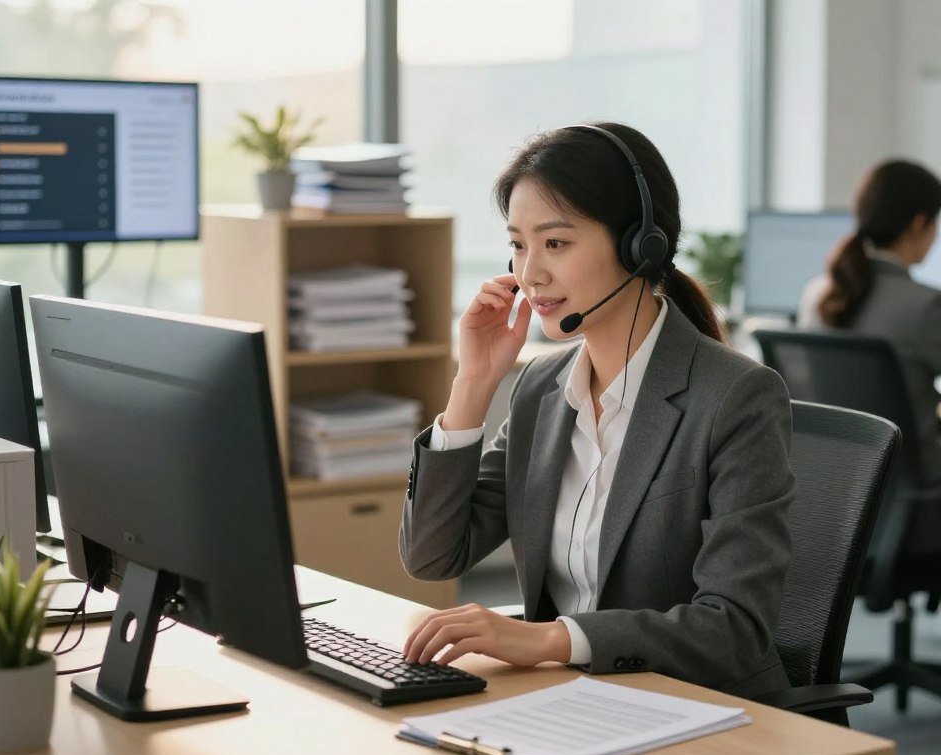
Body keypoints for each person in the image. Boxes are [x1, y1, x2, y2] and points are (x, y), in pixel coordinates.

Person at [399, 122, 795, 699]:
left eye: (555, 243)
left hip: (693, 709)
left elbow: (733, 630)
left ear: (641, 245)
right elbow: (433, 556)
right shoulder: (541, 389)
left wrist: (550, 641)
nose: (529, 273)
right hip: (568, 701)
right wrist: (473, 385)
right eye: (517, 243)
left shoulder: (736, 397)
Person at [798, 160, 941, 483]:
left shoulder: (817, 295)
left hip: (838, 484)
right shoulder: (926, 306)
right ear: (920, 224)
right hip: (912, 485)